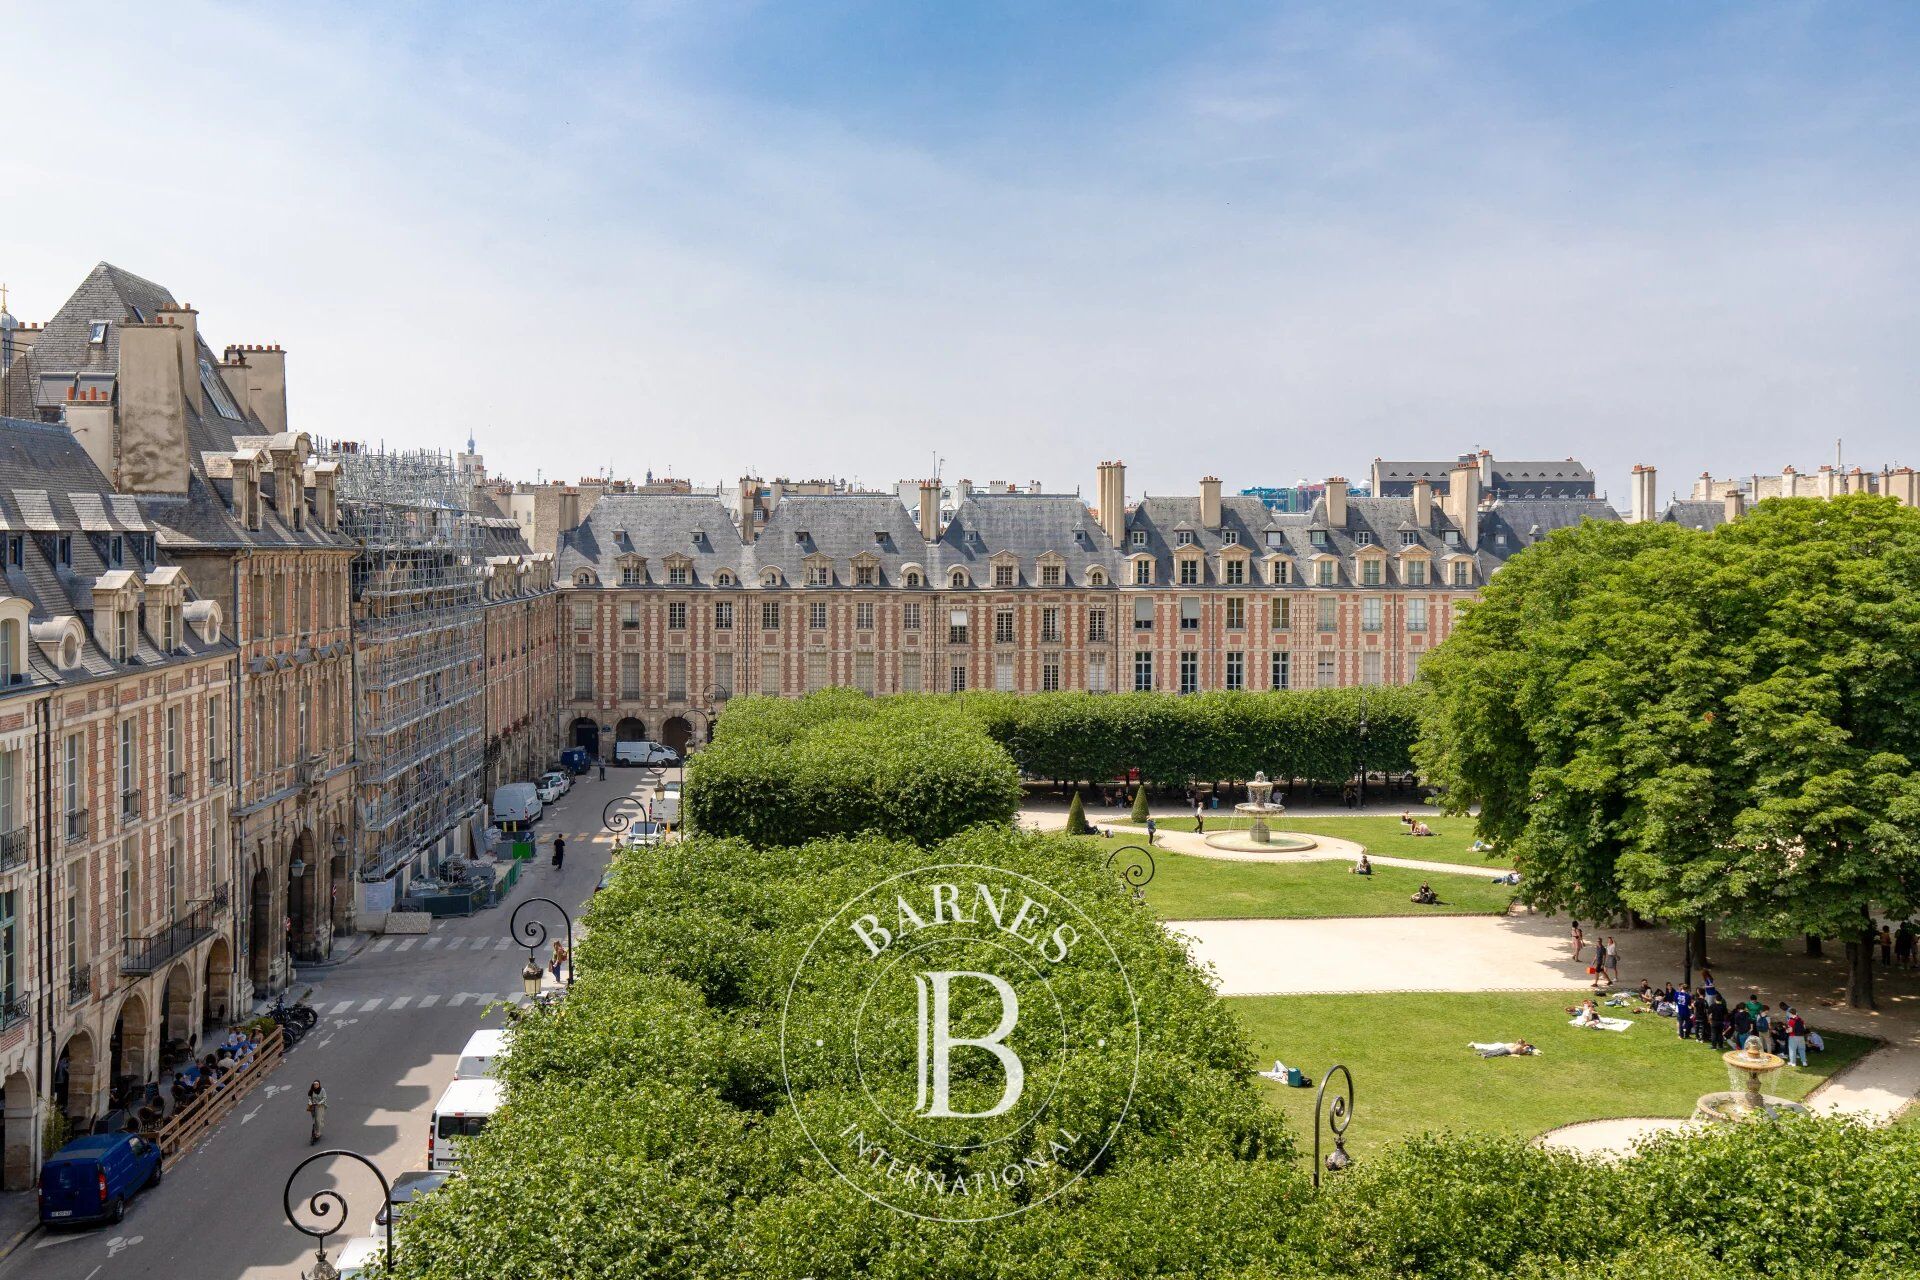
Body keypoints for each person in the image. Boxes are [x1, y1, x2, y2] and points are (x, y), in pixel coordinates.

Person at [306, 1080, 327, 1144]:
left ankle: (318, 1132)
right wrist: (310, 1102)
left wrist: (320, 1103)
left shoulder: (322, 1090)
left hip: (320, 1106)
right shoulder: (312, 1090)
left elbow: (325, 1097)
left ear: (319, 1084)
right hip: (313, 1106)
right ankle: (315, 1132)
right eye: (315, 1084)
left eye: (317, 1084)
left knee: (318, 1120)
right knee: (314, 1120)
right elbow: (309, 1097)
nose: (316, 1085)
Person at [1471, 1040, 1537, 1057]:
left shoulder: (1517, 1046)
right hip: (1504, 1048)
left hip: (1504, 1048)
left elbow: (1524, 1050)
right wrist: (1529, 1048)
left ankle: (1481, 1053)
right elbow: (1523, 1051)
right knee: (1493, 1051)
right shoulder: (1519, 1047)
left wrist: (1529, 1048)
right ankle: (1482, 1053)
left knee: (1492, 1050)